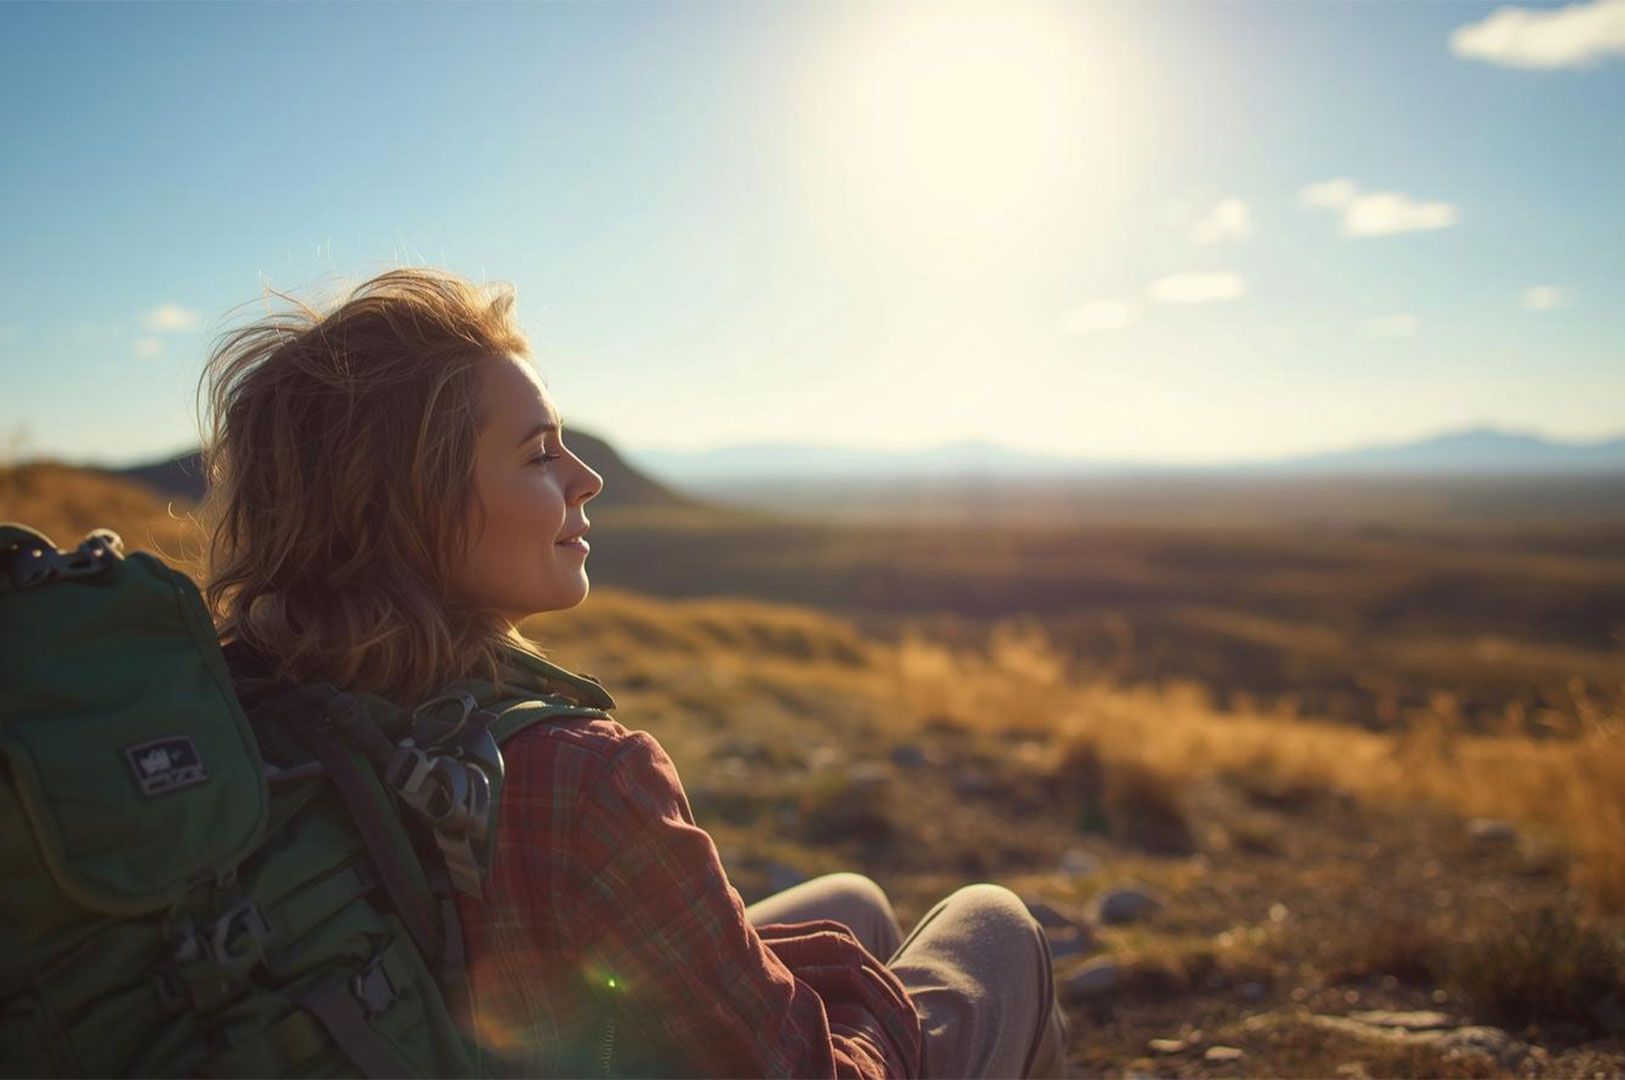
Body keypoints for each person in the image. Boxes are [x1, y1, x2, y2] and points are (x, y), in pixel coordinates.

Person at [197, 267, 1068, 1079]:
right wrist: (859, 1009)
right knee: (994, 927)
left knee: (851, 903)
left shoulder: (227, 712)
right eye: (539, 453)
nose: (588, 477)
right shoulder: (580, 776)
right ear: (410, 503)